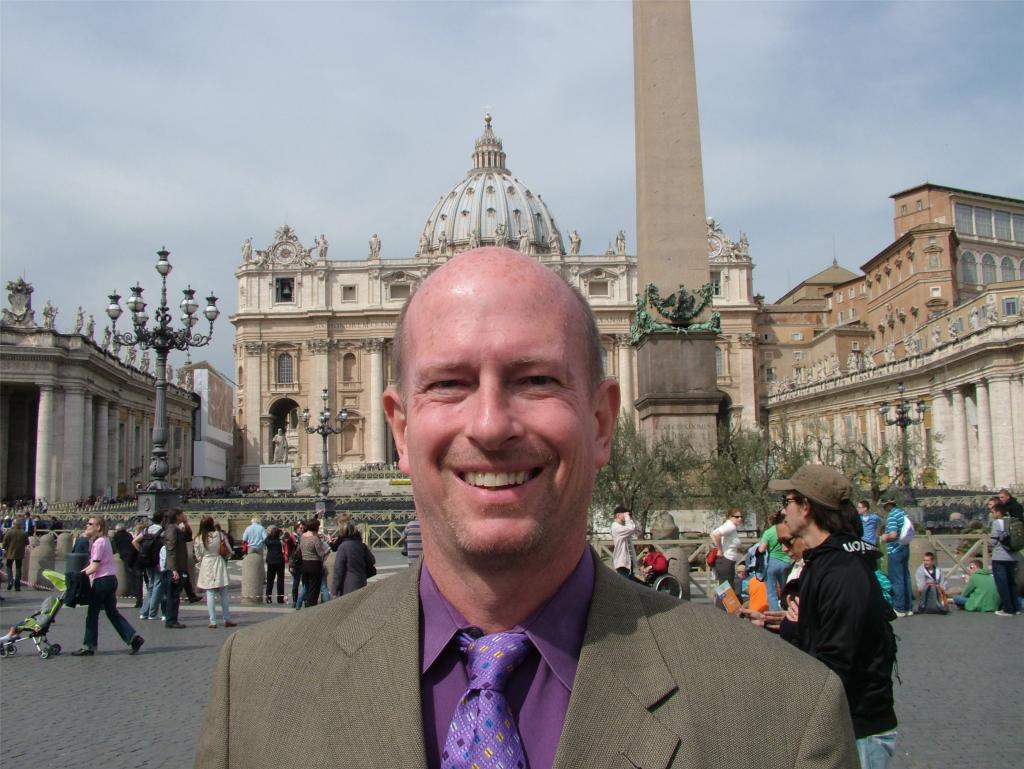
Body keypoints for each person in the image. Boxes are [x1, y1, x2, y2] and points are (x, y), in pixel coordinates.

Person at [195, 247, 856, 769]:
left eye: (536, 379)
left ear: (602, 421)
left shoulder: (784, 714)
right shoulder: (251, 693)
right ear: (398, 428)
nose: (489, 424)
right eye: (450, 382)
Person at [769, 465, 897, 768]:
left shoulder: (842, 571)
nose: (783, 511)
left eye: (787, 502)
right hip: (840, 724)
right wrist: (780, 622)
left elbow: (835, 661)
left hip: (855, 729)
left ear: (807, 506)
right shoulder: (825, 562)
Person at [71, 516, 144, 656]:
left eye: (90, 523)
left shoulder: (98, 543)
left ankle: (88, 646)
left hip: (102, 581)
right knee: (112, 613)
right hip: (111, 579)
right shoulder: (105, 540)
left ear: (98, 527)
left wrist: (77, 576)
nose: (87, 525)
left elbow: (94, 566)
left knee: (92, 615)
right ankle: (133, 638)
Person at [880, 500, 913, 617]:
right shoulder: (902, 513)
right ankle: (909, 607)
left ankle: (899, 608)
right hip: (905, 548)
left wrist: (884, 537)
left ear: (888, 505)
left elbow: (893, 534)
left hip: (895, 550)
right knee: (906, 577)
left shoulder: (892, 515)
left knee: (896, 578)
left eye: (884, 505)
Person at [989, 502, 1020, 616]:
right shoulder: (1013, 521)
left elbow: (993, 541)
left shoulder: (997, 522)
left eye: (993, 512)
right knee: (1012, 583)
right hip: (1013, 557)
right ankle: (1016, 608)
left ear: (998, 512)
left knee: (1002, 584)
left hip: (1000, 557)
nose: (992, 514)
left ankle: (1007, 609)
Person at [757, 512, 791, 611]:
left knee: (771, 592)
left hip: (772, 563)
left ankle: (775, 614)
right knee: (786, 590)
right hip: (786, 562)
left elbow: (761, 549)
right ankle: (787, 611)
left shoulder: (768, 532)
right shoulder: (786, 530)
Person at [331, 520, 374, 597]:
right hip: (362, 580)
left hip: (348, 584)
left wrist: (334, 589)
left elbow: (338, 569)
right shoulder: (362, 545)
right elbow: (372, 560)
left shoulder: (343, 547)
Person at [135, 512, 165, 620]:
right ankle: (152, 613)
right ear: (162, 520)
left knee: (151, 585)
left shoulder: (146, 530)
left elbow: (134, 541)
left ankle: (144, 612)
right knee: (157, 584)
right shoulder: (162, 532)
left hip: (146, 560)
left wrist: (142, 552)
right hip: (157, 561)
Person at [711, 508, 743, 608]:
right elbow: (716, 534)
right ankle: (723, 613)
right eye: (737, 517)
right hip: (726, 560)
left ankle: (725, 611)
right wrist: (720, 549)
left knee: (724, 587)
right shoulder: (731, 526)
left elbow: (713, 533)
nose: (740, 519)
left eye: (741, 516)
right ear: (730, 517)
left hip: (725, 560)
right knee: (725, 588)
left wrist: (719, 547)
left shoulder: (729, 525)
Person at [163, 510, 188, 629]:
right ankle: (171, 620)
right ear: (177, 516)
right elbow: (171, 550)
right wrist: (173, 569)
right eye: (182, 514)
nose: (184, 516)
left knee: (174, 595)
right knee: (173, 595)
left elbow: (187, 537)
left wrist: (184, 526)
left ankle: (172, 619)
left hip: (178, 565)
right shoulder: (172, 529)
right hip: (175, 567)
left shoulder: (175, 528)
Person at [296, 518, 328, 608]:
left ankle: (304, 606)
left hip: (304, 564)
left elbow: (300, 550)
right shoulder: (315, 539)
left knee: (307, 587)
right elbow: (321, 553)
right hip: (314, 565)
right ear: (315, 527)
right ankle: (311, 609)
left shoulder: (302, 537)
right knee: (314, 590)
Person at [610, 505, 637, 578]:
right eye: (624, 514)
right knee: (626, 587)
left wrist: (632, 518)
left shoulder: (624, 527)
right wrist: (628, 518)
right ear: (618, 515)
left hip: (628, 562)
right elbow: (631, 529)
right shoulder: (615, 527)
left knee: (630, 586)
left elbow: (637, 531)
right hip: (622, 563)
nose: (626, 516)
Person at [2, 519, 27, 591]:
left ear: (13, 524)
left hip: (10, 552)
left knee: (9, 567)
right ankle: (17, 586)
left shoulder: (9, 532)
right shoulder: (23, 532)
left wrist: (4, 548)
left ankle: (10, 581)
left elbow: (4, 542)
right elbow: (27, 542)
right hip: (20, 553)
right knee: (18, 569)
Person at [264, 527, 285, 604]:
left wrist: (270, 534)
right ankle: (280, 598)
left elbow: (265, 540)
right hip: (279, 562)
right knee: (280, 581)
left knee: (270, 580)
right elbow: (284, 536)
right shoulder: (279, 542)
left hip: (271, 562)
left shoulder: (269, 541)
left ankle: (268, 597)